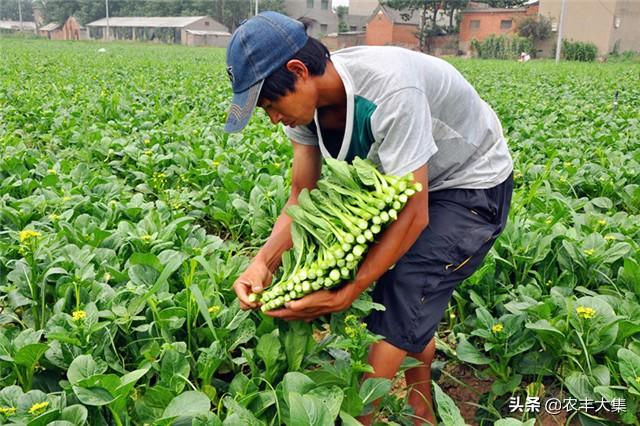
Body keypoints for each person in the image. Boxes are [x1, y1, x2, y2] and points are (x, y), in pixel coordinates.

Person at [225, 11, 513, 426]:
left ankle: (364, 417)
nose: (273, 118)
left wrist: (350, 291)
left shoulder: (391, 89)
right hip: (413, 182)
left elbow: (415, 213)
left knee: (404, 288)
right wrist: (262, 263)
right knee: (409, 299)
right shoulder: (307, 110)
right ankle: (423, 409)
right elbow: (301, 195)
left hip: (472, 183)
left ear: (298, 71)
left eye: (271, 105)